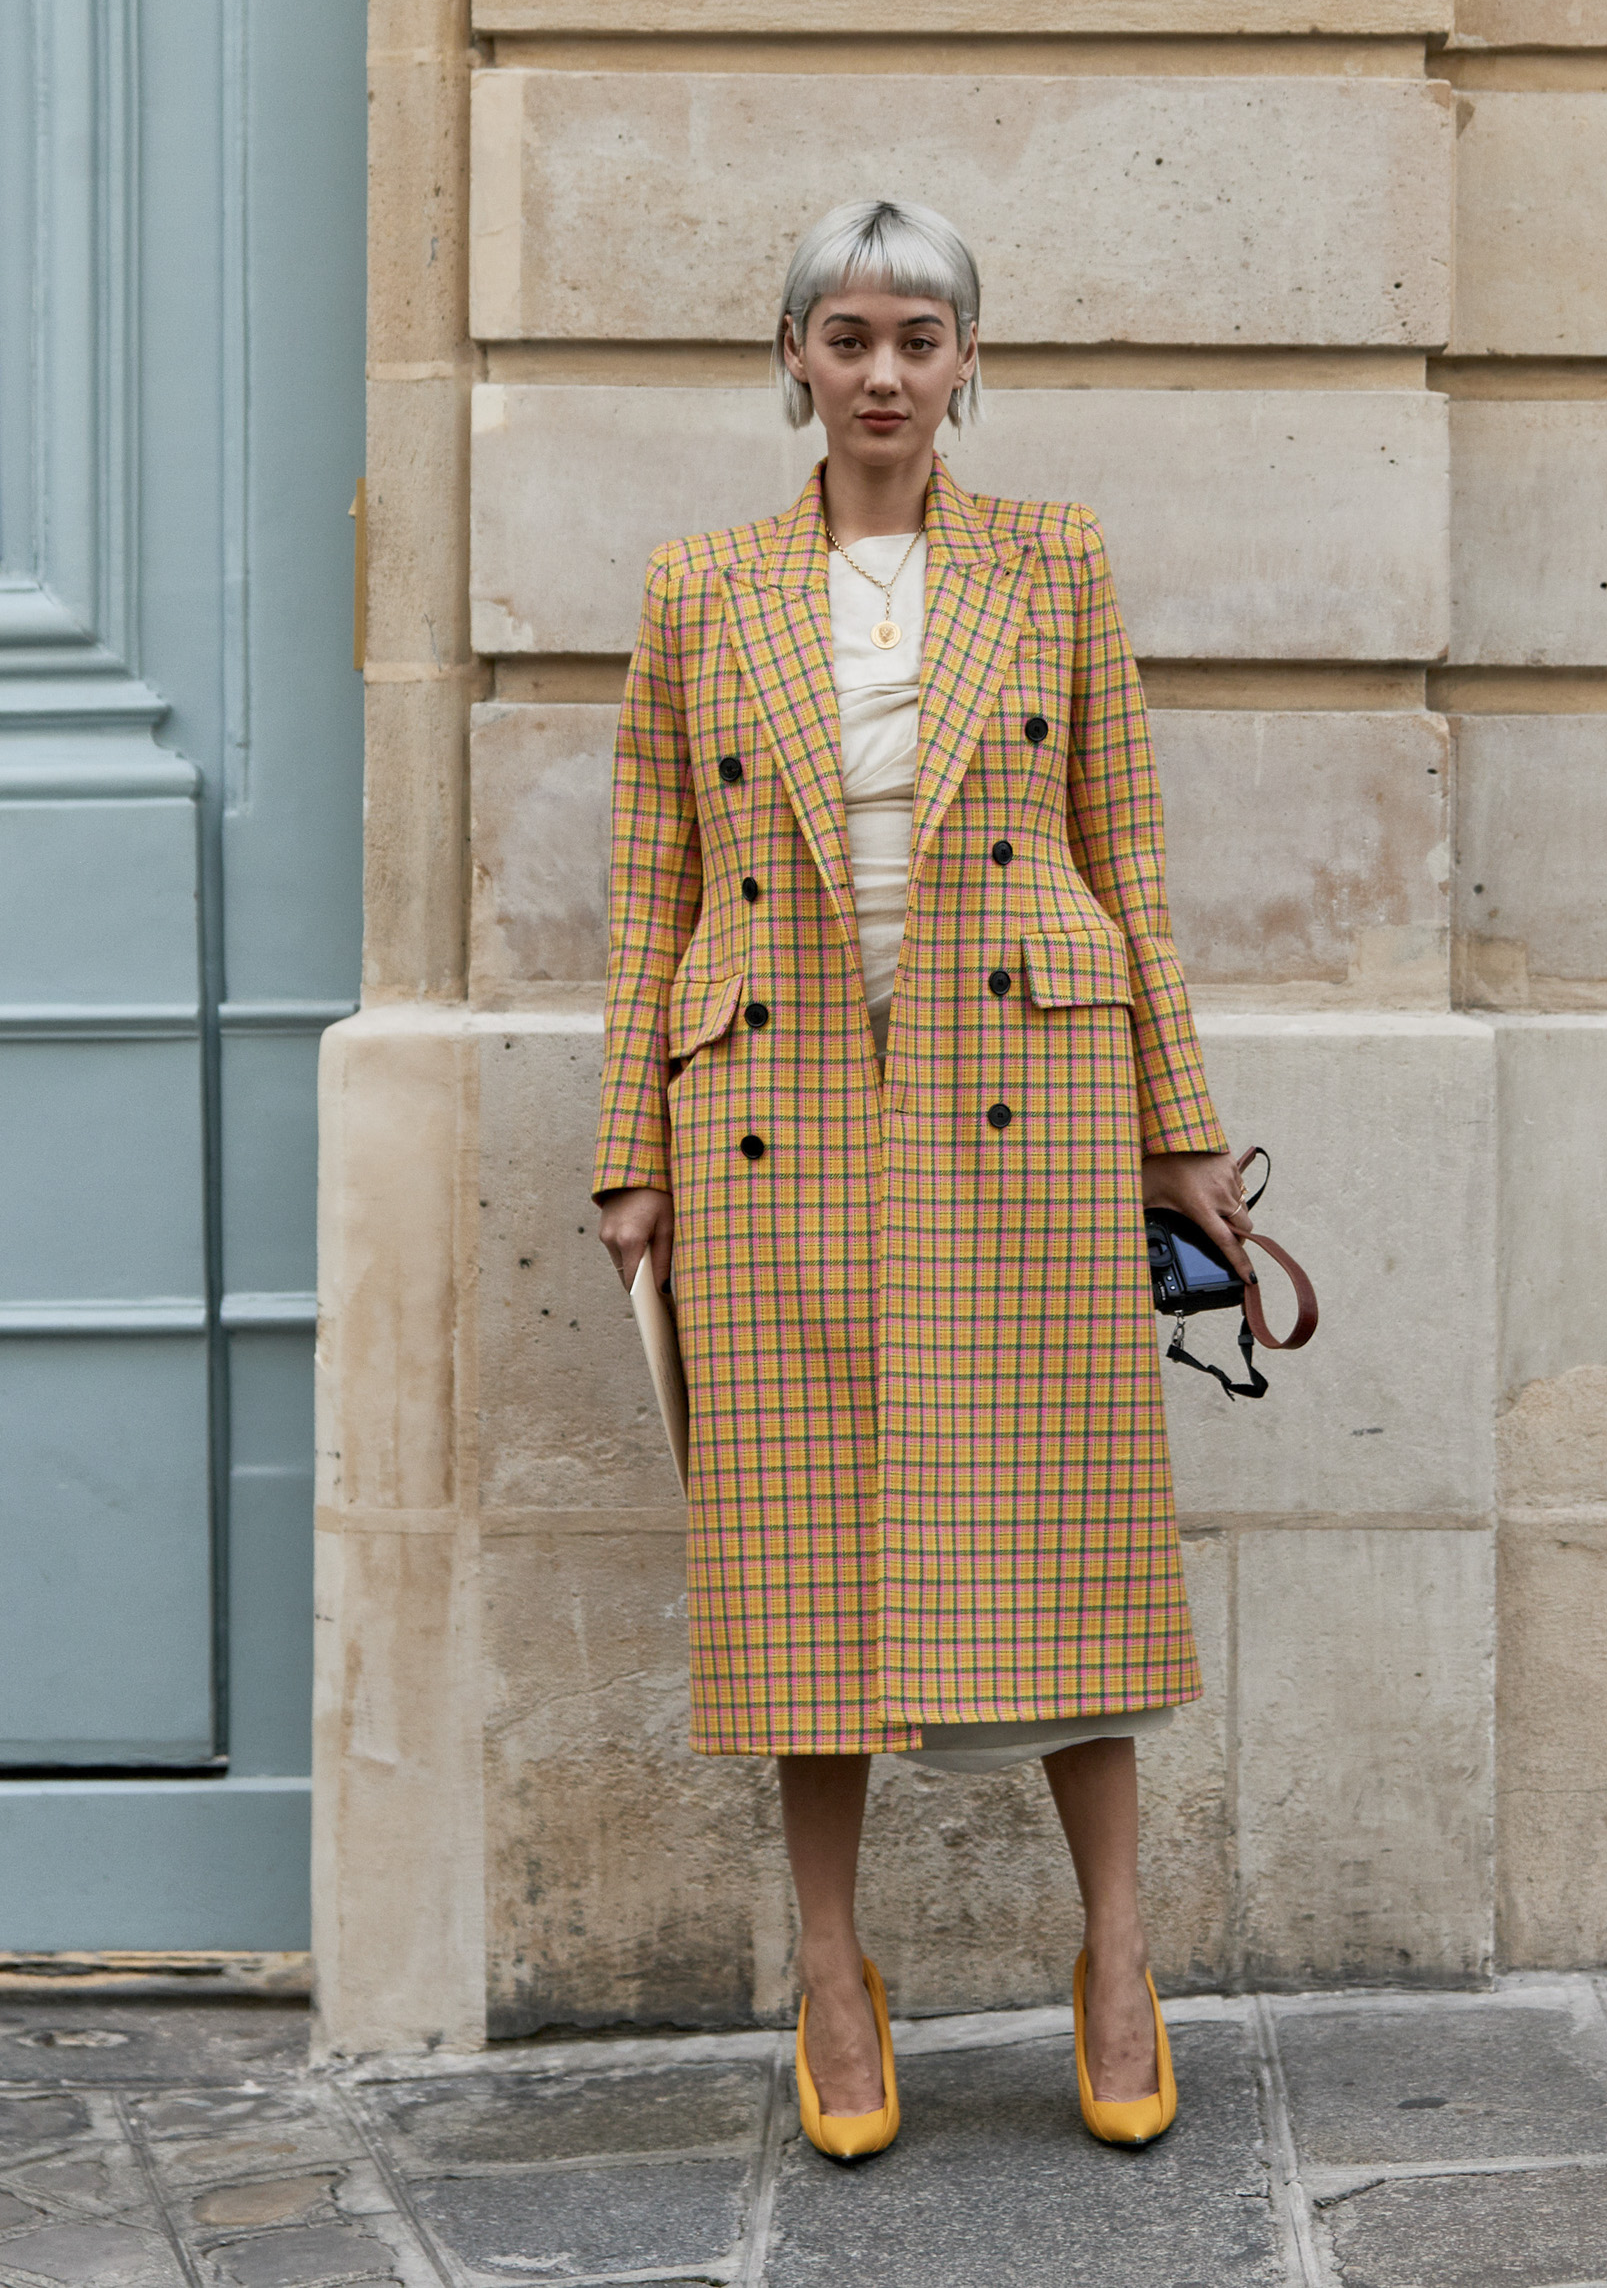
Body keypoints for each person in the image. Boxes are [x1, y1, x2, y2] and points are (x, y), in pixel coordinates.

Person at [594, 198, 1252, 2159]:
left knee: (1070, 1536)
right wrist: (629, 1149)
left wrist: (1183, 1133)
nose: (885, 373)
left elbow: (1127, 858)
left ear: (970, 359)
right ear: (791, 355)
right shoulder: (700, 585)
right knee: (799, 1563)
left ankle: (1116, 1956)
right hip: (770, 1113)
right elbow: (648, 892)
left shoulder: (1055, 563)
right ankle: (830, 1971)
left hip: (1024, 1100)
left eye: (921, 337)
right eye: (850, 335)